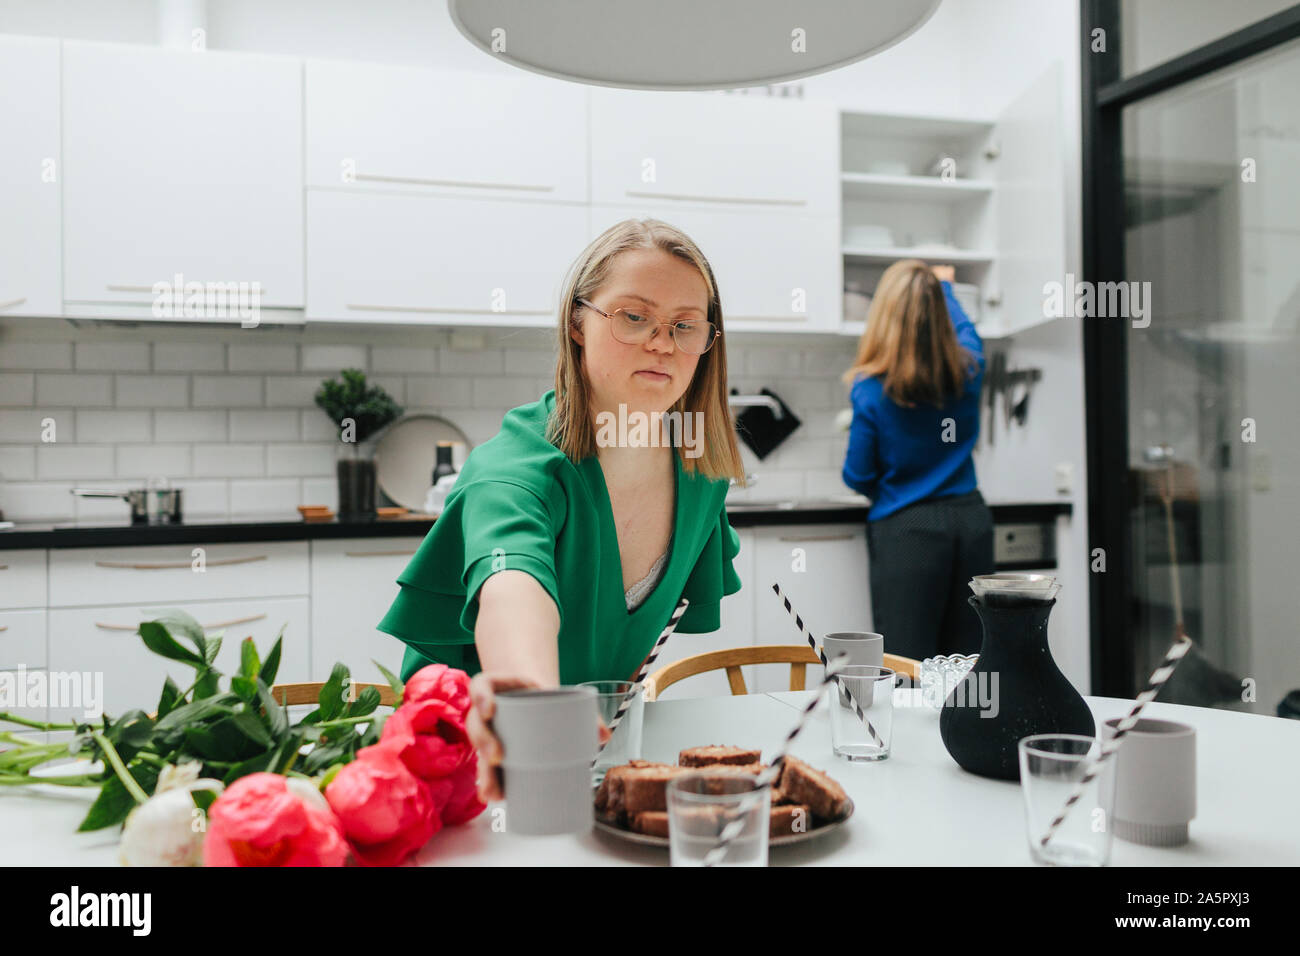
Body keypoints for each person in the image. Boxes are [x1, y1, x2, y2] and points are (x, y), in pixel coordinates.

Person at [377, 219, 748, 803]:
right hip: (474, 771)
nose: (662, 342)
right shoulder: (516, 469)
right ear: (578, 322)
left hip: (596, 759)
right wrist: (526, 696)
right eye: (634, 315)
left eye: (685, 325)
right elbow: (513, 585)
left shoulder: (701, 474)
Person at [841, 260, 993, 661]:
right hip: (972, 524)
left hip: (908, 531)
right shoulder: (970, 369)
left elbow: (857, 475)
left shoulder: (871, 389)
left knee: (909, 666)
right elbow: (966, 331)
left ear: (883, 316)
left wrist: (892, 486)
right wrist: (943, 287)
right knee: (969, 663)